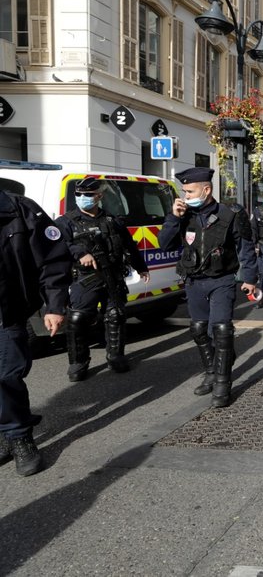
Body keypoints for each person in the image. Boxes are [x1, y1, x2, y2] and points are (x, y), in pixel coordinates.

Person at [158, 168, 258, 408]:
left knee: (222, 330)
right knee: (200, 330)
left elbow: (246, 248)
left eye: (190, 191)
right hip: (193, 281)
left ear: (206, 190)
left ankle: (223, 384)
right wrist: (173, 218)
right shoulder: (182, 215)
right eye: (184, 191)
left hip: (222, 280)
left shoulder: (231, 214)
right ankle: (212, 372)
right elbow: (164, 245)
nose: (185, 195)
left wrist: (250, 278)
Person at [0, 189, 72, 476]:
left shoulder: (18, 209)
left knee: (6, 376)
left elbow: (53, 259)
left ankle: (19, 437)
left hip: (7, 312)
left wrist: (54, 306)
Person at [54, 178, 151, 381]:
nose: (82, 198)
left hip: (113, 276)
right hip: (85, 279)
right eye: (79, 195)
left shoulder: (112, 221)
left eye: (88, 195)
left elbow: (129, 245)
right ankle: (78, 362)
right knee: (78, 318)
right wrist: (79, 253)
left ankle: (115, 356)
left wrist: (141, 267)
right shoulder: (66, 222)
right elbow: (57, 245)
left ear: (99, 196)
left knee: (116, 315)